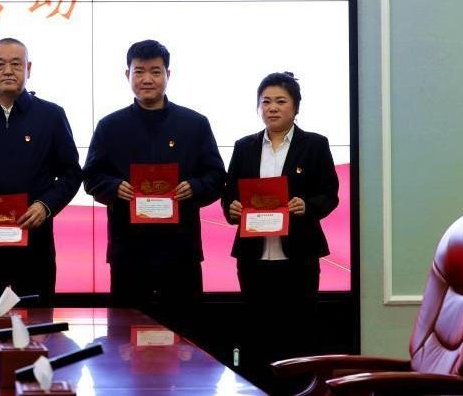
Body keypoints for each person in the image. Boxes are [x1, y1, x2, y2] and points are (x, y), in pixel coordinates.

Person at [83, 39, 225, 329]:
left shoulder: (194, 124)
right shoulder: (110, 126)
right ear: (128, 75)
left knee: (185, 335)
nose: (147, 79)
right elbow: (92, 177)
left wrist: (194, 187)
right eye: (139, 71)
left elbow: (216, 176)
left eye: (155, 71)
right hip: (129, 251)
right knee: (126, 335)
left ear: (167, 75)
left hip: (180, 251)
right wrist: (115, 187)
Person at [0, 38, 82, 303]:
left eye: (16, 64)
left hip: (35, 242)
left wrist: (45, 206)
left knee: (37, 322)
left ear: (28, 68)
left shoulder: (51, 115)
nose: (8, 71)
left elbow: (71, 173)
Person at [222, 71, 339, 376]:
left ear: (296, 107)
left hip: (298, 255)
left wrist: (308, 206)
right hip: (253, 257)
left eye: (280, 101)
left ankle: (299, 388)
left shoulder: (314, 145)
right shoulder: (244, 146)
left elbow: (330, 194)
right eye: (265, 101)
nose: (272, 108)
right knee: (257, 331)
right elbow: (229, 195)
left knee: (299, 331)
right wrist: (232, 208)